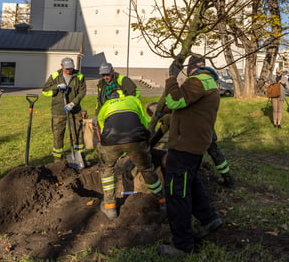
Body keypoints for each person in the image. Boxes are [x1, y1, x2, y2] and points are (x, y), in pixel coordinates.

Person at [157, 55, 223, 257]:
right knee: (191, 183)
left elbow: (176, 100)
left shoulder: (198, 81)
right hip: (194, 145)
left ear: (191, 68)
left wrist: (171, 78)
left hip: (185, 146)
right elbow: (183, 104)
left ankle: (183, 245)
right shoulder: (208, 83)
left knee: (177, 194)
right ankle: (208, 218)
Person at [95, 91, 164, 220]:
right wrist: (145, 141)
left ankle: (110, 208)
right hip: (135, 139)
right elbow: (143, 122)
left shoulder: (105, 106)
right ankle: (162, 201)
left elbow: (103, 129)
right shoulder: (133, 100)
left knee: (107, 169)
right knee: (146, 168)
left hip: (111, 141)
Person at [148, 103, 236, 189]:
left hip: (198, 136)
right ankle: (229, 180)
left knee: (195, 159)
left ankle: (194, 184)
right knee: (216, 155)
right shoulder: (176, 106)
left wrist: (148, 147)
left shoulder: (167, 116)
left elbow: (160, 134)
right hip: (206, 131)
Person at [41, 57, 87, 165]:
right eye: (66, 69)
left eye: (70, 69)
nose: (68, 71)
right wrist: (56, 87)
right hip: (58, 111)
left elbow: (82, 92)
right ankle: (58, 161)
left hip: (74, 111)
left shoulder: (79, 77)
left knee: (77, 134)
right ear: (61, 66)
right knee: (58, 135)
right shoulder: (55, 76)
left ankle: (80, 157)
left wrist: (73, 103)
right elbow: (45, 91)